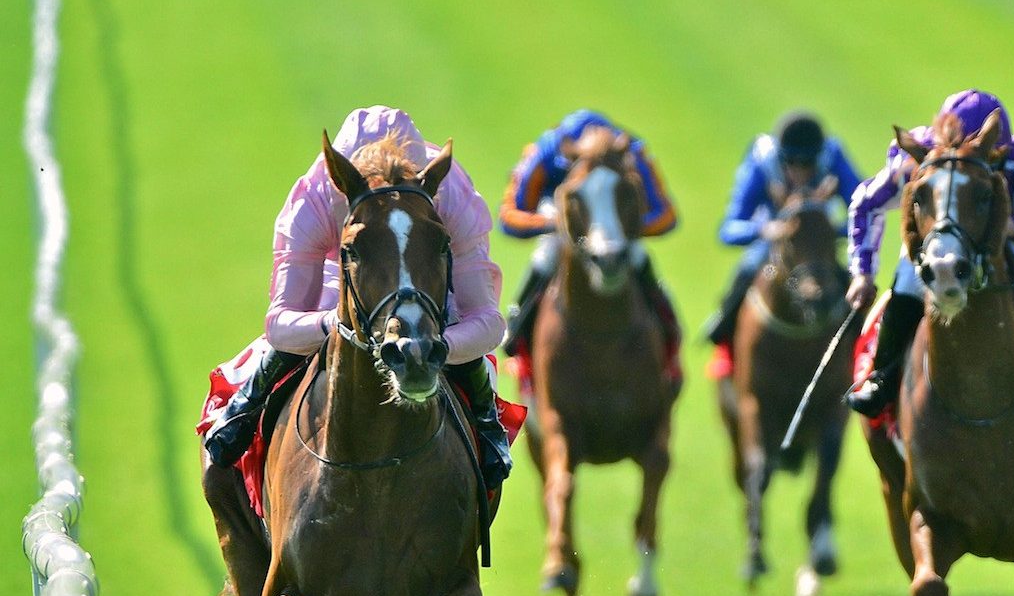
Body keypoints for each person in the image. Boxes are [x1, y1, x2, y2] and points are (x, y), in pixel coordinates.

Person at [201, 106, 512, 491]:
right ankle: (243, 410)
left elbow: (486, 320)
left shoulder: (452, 196)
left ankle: (487, 423)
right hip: (348, 279)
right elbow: (280, 324)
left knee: (458, 340)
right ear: (342, 182)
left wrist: (437, 346)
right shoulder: (314, 199)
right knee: (285, 349)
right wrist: (337, 322)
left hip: (426, 281)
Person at [844, 89, 1014, 416]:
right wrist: (862, 271)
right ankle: (880, 376)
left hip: (999, 241)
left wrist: (1010, 228)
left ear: (1000, 152)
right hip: (937, 243)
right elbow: (865, 203)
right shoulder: (923, 160)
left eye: (988, 159)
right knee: (907, 282)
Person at [496, 109, 682, 374]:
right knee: (546, 255)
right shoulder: (546, 150)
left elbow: (666, 215)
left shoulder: (633, 152)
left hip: (616, 229)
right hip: (561, 219)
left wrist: (625, 228)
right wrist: (559, 224)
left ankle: (668, 330)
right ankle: (517, 329)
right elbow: (510, 216)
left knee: (639, 256)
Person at [703, 110, 861, 377]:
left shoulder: (833, 156)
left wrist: (827, 230)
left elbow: (862, 210)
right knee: (746, 273)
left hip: (817, 245)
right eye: (793, 163)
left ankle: (860, 354)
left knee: (854, 288)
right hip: (772, 246)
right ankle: (726, 345)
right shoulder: (761, 160)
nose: (801, 171)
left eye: (808, 164)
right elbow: (729, 229)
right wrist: (767, 230)